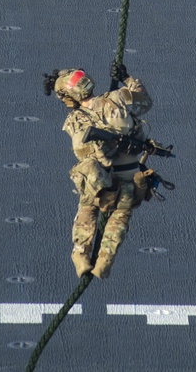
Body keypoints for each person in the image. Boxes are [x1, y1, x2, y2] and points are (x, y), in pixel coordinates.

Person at [45, 65, 156, 279]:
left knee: (87, 206)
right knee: (121, 215)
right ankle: (105, 260)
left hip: (99, 179)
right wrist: (126, 78)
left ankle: (80, 254)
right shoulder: (118, 98)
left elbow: (81, 153)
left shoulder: (74, 120)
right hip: (129, 174)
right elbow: (145, 100)